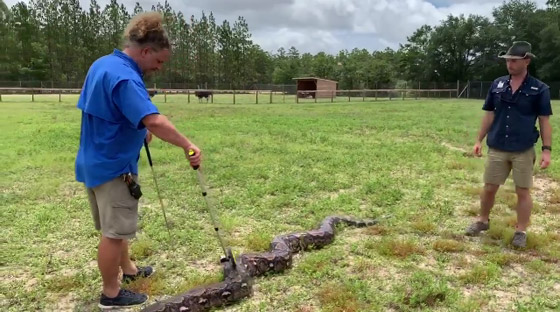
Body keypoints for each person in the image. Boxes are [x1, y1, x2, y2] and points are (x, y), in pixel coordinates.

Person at [74, 12, 202, 309]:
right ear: (146, 51)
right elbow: (154, 120)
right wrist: (187, 145)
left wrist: (137, 129)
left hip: (94, 160)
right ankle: (111, 293)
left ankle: (129, 270)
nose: (159, 68)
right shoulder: (126, 76)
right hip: (114, 166)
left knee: (116, 229)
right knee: (113, 234)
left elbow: (105, 109)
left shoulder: (103, 64)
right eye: (159, 61)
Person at [466, 41, 553, 248]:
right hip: (497, 146)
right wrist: (479, 139)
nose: (510, 64)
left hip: (522, 148)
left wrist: (546, 151)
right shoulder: (497, 85)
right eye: (508, 60)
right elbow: (489, 114)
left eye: (514, 60)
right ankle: (482, 220)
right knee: (489, 187)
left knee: (523, 191)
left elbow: (544, 121)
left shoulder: (539, 89)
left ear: (527, 61)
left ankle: (520, 231)